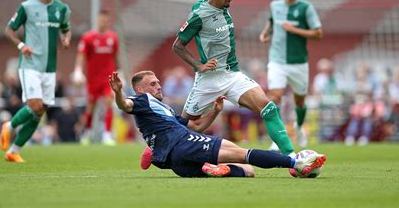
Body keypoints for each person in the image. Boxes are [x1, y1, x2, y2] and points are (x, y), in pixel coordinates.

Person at [171, 0, 295, 158]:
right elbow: (177, 46)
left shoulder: (223, 6)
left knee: (268, 107)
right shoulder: (199, 15)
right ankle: (156, 150)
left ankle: (292, 158)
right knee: (185, 128)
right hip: (209, 80)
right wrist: (198, 65)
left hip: (232, 75)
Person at [109, 70, 326, 178]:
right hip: (184, 145)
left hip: (179, 165)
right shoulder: (141, 101)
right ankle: (295, 163)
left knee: (248, 171)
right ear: (140, 89)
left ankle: (212, 167)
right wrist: (118, 91)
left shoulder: (162, 110)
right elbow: (124, 106)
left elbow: (194, 127)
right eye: (152, 84)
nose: (158, 86)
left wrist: (215, 112)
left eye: (157, 82)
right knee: (243, 153)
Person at [0, 0, 72, 163]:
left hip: (50, 68)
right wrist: (21, 45)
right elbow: (9, 30)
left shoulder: (62, 9)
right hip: (30, 65)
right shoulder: (27, 7)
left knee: (39, 112)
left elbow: (66, 29)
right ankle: (9, 127)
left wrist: (66, 39)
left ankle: (13, 151)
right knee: (35, 104)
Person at [259, 0, 323, 149]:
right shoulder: (274, 5)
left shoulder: (306, 8)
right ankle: (277, 139)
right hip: (277, 61)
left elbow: (318, 33)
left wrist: (293, 29)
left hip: (299, 63)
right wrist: (266, 33)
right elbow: (271, 22)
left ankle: (300, 127)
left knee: (300, 101)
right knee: (275, 97)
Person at [73, 10, 120, 145]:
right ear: (97, 20)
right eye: (101, 20)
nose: (103, 22)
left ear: (108, 21)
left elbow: (116, 57)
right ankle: (87, 133)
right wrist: (78, 70)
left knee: (108, 103)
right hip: (92, 80)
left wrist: (119, 71)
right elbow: (81, 55)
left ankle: (106, 135)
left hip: (108, 79)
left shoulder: (113, 37)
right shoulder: (88, 38)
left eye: (106, 20)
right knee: (90, 108)